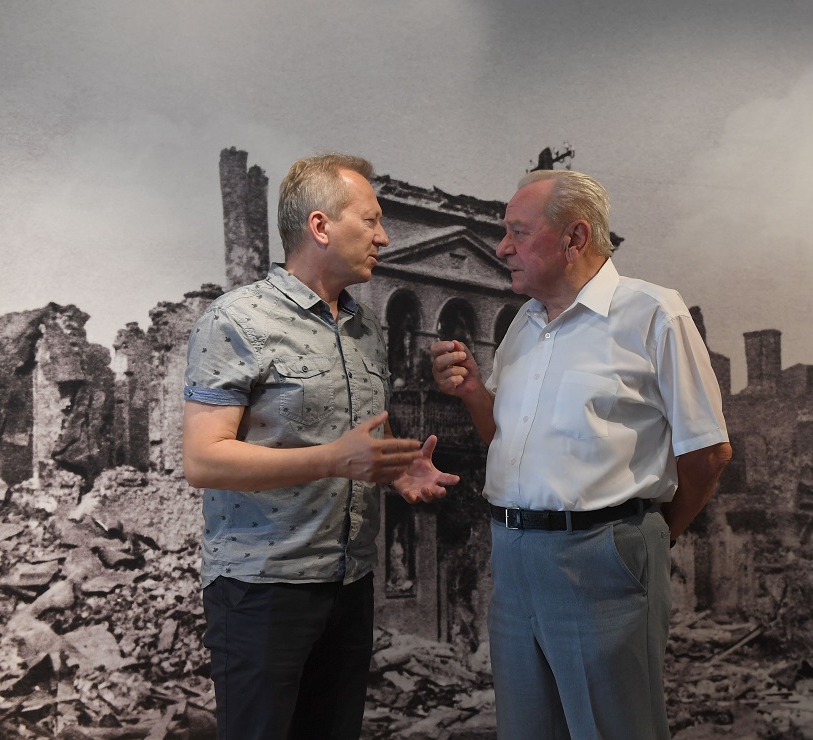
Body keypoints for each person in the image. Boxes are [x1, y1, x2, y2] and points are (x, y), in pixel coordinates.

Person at [430, 169, 731, 739]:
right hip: (514, 564)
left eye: (518, 232)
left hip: (602, 560)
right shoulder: (523, 325)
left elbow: (709, 453)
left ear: (575, 238)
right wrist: (473, 392)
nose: (501, 248)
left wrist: (649, 536)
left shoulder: (654, 314)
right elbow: (511, 442)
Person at [183, 153, 459, 740]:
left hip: (349, 585)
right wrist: (335, 459)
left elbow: (359, 445)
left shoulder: (366, 331)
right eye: (372, 221)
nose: (384, 237)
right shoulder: (236, 319)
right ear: (320, 227)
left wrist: (395, 471)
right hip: (262, 589)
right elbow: (204, 459)